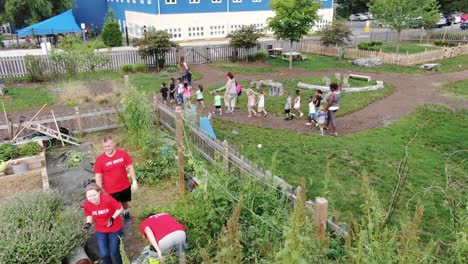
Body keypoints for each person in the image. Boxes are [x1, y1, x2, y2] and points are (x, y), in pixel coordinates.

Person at [94, 136, 137, 224]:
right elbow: (98, 176)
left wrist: (134, 181)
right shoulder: (100, 160)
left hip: (124, 185)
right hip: (110, 189)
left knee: (124, 202)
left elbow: (130, 167)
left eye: (109, 146)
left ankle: (126, 213)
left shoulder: (123, 154)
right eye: (105, 147)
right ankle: (114, 219)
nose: (107, 148)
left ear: (113, 144)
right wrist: (100, 190)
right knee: (111, 206)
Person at [83, 183, 124, 264]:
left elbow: (120, 208)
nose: (92, 198)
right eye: (89, 196)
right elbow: (89, 214)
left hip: (114, 228)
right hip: (100, 230)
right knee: (104, 254)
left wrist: (112, 218)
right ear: (86, 196)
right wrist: (88, 223)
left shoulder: (107, 199)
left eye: (94, 195)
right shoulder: (86, 204)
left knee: (115, 250)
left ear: (99, 192)